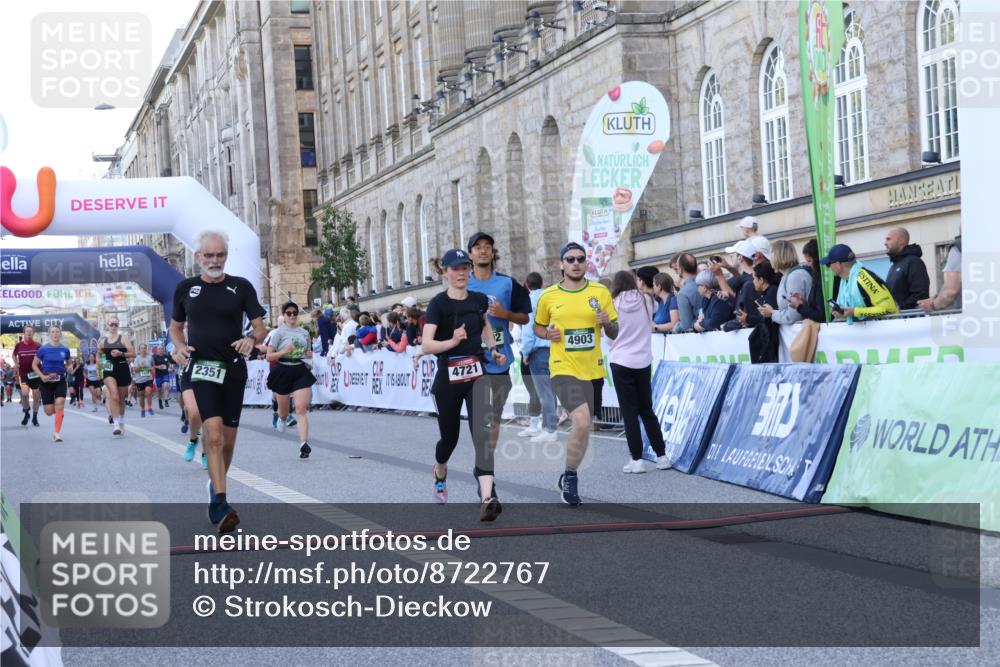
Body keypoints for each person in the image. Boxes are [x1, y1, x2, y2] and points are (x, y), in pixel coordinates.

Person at [170, 229, 267, 534]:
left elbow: (261, 328)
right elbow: (176, 327)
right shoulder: (186, 288)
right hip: (202, 369)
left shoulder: (241, 287)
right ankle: (221, 504)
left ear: (226, 255)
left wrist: (251, 340)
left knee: (227, 440)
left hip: (234, 368)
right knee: (212, 436)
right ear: (198, 257)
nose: (215, 260)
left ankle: (216, 486)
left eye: (220, 255)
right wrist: (180, 346)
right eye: (209, 255)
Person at [422, 248, 507, 521]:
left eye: (464, 267)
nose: (461, 273)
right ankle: (439, 470)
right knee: (450, 438)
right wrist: (453, 341)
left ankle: (487, 497)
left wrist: (493, 349)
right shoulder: (438, 304)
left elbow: (485, 326)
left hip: (476, 374)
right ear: (445, 272)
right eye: (455, 268)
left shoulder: (479, 300)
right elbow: (426, 345)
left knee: (482, 436)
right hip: (448, 377)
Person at [533, 241, 619, 506]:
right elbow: (537, 327)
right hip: (562, 368)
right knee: (580, 422)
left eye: (580, 258)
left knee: (585, 427)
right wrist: (548, 334)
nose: (576, 263)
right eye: (570, 259)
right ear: (562, 264)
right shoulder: (549, 296)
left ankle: (569, 471)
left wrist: (607, 323)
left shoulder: (599, 291)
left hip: (592, 370)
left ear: (586, 262)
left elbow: (614, 332)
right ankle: (571, 479)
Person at [467, 232, 532, 483]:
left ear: (493, 253)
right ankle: (485, 470)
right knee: (479, 418)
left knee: (493, 418)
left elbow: (524, 317)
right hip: (472, 361)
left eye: (488, 247)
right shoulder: (463, 284)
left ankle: (485, 466)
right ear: (470, 254)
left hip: (500, 361)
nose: (483, 251)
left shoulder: (507, 283)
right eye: (478, 247)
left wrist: (505, 313)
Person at [608, 271, 670, 473]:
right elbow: (656, 308)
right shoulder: (646, 300)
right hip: (643, 360)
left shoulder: (613, 303)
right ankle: (662, 456)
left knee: (629, 413)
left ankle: (637, 459)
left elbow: (609, 336)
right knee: (647, 409)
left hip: (621, 360)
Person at [264, 301, 316, 459]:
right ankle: (282, 418)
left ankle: (304, 444)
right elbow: (268, 356)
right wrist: (284, 351)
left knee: (301, 408)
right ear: (284, 315)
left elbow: (308, 351)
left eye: (295, 313)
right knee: (284, 411)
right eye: (289, 313)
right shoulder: (278, 333)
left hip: (300, 369)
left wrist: (308, 354)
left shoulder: (304, 332)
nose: (292, 316)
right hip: (283, 370)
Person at [518, 272, 558, 442]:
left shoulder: (530, 300)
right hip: (553, 347)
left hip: (538, 348)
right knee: (550, 391)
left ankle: (549, 429)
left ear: (527, 284)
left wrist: (525, 352)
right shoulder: (550, 296)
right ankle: (550, 427)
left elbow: (529, 329)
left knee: (544, 391)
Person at [821, 243, 899, 320]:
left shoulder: (863, 279)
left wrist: (855, 312)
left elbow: (888, 308)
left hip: (886, 329)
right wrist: (843, 313)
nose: (828, 268)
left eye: (828, 264)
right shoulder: (846, 280)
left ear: (838, 265)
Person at [31, 325, 72, 442]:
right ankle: (57, 408)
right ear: (49, 334)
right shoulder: (43, 349)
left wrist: (69, 367)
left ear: (60, 334)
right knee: (49, 412)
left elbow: (69, 363)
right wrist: (42, 376)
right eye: (53, 332)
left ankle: (57, 433)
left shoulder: (65, 349)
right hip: (46, 381)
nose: (55, 334)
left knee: (60, 402)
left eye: (57, 332)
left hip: (60, 380)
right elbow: (34, 365)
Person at [758, 240, 813, 327]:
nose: (769, 259)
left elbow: (795, 315)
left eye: (771, 255)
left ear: (778, 256)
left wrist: (772, 313)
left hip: (801, 332)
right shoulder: (789, 275)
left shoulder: (794, 276)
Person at [99, 317, 135, 436]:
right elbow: (98, 354)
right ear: (107, 326)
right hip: (109, 370)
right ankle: (115, 425)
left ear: (118, 325)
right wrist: (100, 362)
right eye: (111, 324)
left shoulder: (123, 339)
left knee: (120, 399)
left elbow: (133, 353)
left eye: (115, 324)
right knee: (113, 395)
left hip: (122, 368)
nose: (113, 326)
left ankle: (121, 421)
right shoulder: (103, 341)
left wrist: (121, 353)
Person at [884, 227, 930, 310]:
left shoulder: (914, 262)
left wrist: (900, 306)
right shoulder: (894, 265)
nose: (885, 243)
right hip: (896, 319)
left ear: (901, 241)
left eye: (888, 239)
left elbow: (921, 294)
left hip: (910, 319)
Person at [919, 235, 962, 312]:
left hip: (961, 315)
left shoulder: (958, 247)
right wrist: (935, 298)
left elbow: (950, 291)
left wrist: (932, 305)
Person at [13, 325, 42, 427]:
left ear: (33, 333)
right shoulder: (18, 345)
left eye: (31, 331)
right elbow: (14, 354)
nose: (29, 333)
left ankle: (34, 417)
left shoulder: (38, 345)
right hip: (24, 374)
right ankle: (27, 413)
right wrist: (16, 363)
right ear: (23, 333)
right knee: (24, 395)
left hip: (36, 374)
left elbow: (44, 356)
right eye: (27, 331)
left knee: (36, 397)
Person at [674, 253, 700, 332]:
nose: (676, 271)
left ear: (681, 269)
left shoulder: (683, 293)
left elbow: (686, 325)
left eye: (677, 268)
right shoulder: (708, 283)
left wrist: (677, 327)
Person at [131, 343, 156, 417]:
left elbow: (153, 366)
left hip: (148, 378)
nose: (143, 349)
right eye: (142, 348)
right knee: (141, 395)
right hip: (139, 380)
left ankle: (149, 408)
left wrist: (152, 369)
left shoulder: (150, 357)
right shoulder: (137, 359)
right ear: (139, 350)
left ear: (146, 349)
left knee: (148, 392)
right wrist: (140, 366)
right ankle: (142, 409)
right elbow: (135, 370)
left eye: (144, 348)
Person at [152, 345, 173, 410]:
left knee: (166, 386)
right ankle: (160, 402)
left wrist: (170, 366)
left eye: (162, 349)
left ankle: (166, 401)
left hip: (165, 374)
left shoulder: (166, 356)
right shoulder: (154, 357)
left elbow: (169, 363)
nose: (161, 350)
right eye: (159, 349)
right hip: (158, 375)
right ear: (157, 350)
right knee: (159, 390)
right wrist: (159, 367)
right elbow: (152, 366)